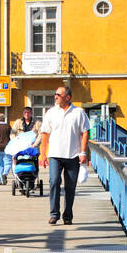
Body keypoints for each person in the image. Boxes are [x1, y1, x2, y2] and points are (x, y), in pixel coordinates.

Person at [38, 86, 90, 225]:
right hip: (55, 154)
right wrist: (43, 155)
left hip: (73, 154)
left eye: (58, 95)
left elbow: (85, 132)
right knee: (54, 182)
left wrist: (83, 152)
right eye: (55, 94)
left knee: (70, 187)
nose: (55, 97)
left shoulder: (79, 112)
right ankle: (54, 214)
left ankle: (68, 215)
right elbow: (45, 134)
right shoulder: (51, 112)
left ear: (67, 97)